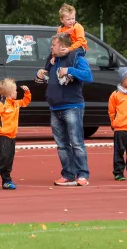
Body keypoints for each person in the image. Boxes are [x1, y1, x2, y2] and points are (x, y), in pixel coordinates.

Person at [36, 33, 93, 186]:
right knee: (61, 145)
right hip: (55, 107)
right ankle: (67, 174)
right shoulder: (53, 60)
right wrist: (41, 74)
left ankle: (82, 175)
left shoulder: (77, 59)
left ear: (62, 46)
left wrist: (69, 70)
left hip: (72, 107)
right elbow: (49, 77)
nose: (51, 47)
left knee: (76, 142)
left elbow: (88, 76)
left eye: (53, 45)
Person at [0, 79, 31, 190]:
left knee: (9, 159)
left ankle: (6, 180)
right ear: (10, 93)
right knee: (3, 158)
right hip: (3, 136)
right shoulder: (1, 105)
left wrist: (27, 92)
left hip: (12, 136)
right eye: (15, 91)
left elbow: (25, 102)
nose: (16, 92)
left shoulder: (15, 104)